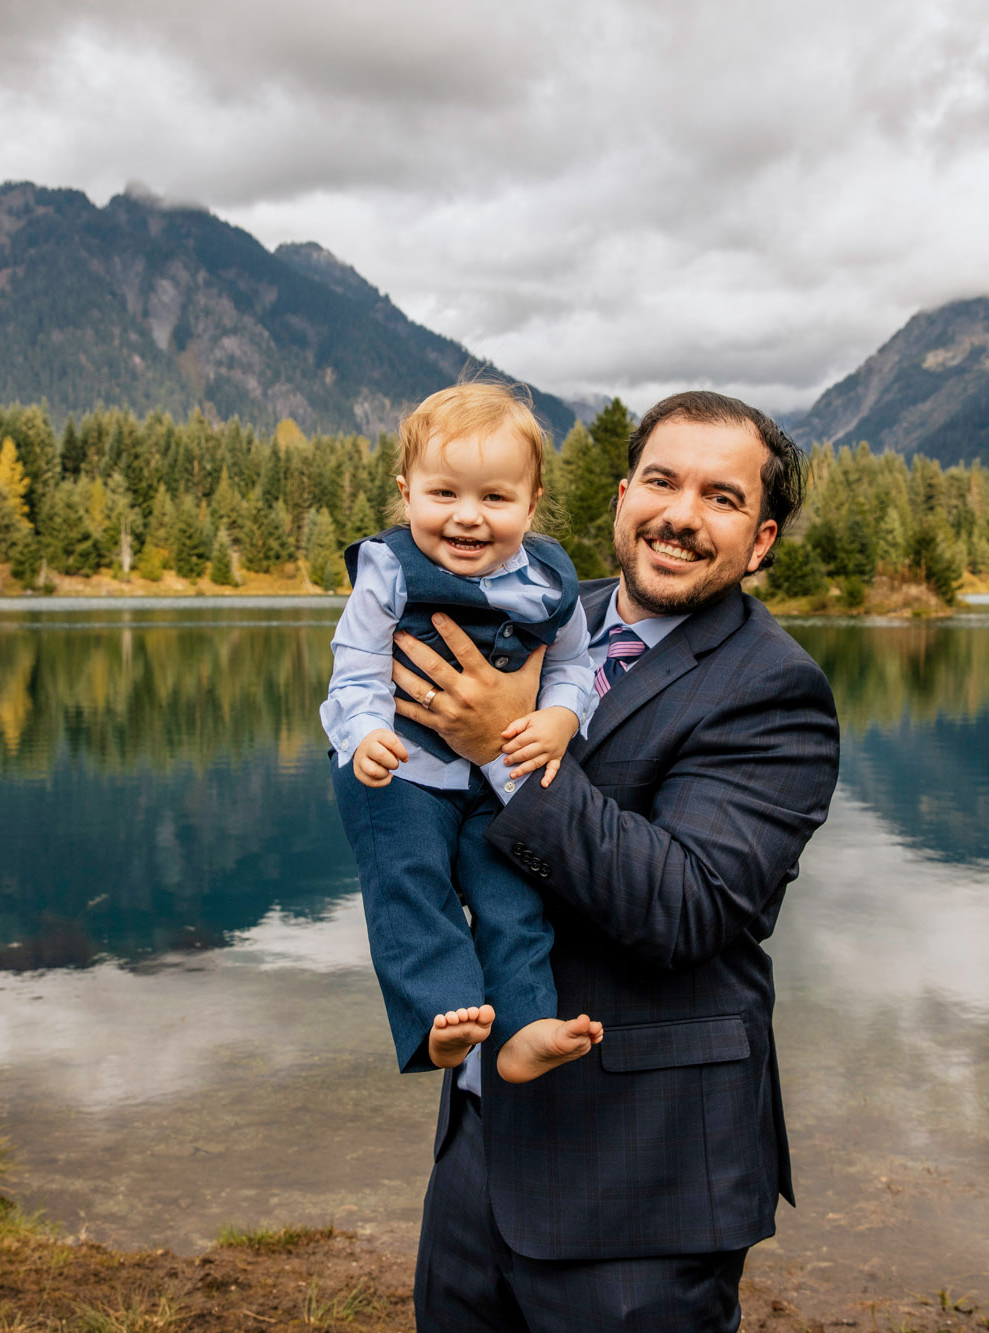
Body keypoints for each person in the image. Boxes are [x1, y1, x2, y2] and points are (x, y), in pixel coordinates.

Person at [392, 390, 842, 1331]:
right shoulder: (536, 616)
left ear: (760, 541)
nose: (680, 514)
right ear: (621, 496)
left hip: (643, 1176)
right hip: (480, 1142)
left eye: (722, 498)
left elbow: (685, 903)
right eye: (662, 481)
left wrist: (499, 750)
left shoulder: (776, 690)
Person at [323, 381, 606, 1085]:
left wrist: (560, 716)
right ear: (407, 491)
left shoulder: (549, 582)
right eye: (444, 494)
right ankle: (440, 1019)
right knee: (410, 881)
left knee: (514, 896)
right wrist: (361, 735)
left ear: (531, 503)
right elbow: (356, 665)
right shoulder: (389, 570)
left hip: (495, 772)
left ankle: (525, 1026)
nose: (467, 518)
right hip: (399, 768)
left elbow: (575, 664)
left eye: (495, 499)